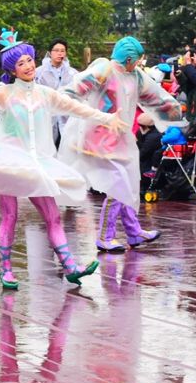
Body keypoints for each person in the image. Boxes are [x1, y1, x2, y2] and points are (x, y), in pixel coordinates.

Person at [0, 29, 126, 288]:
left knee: (53, 216)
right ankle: (6, 269)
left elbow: (76, 108)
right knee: (9, 216)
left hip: (37, 163)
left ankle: (70, 267)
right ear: (12, 70)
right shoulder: (3, 93)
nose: (28, 66)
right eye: (21, 63)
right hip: (8, 162)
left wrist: (107, 118)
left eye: (29, 60)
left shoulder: (46, 94)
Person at [60, 36, 184, 253]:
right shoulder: (104, 70)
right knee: (118, 186)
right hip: (98, 139)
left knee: (128, 183)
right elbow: (72, 92)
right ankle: (105, 237)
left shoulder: (135, 76)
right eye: (137, 59)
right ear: (128, 58)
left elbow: (156, 97)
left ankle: (133, 231)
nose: (138, 63)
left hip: (121, 138)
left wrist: (175, 112)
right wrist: (59, 104)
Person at [34, 38, 76, 147]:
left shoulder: (73, 73)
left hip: (66, 116)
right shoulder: (39, 72)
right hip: (46, 115)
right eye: (56, 50)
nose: (59, 53)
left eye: (62, 51)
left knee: (66, 146)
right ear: (50, 53)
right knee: (46, 146)